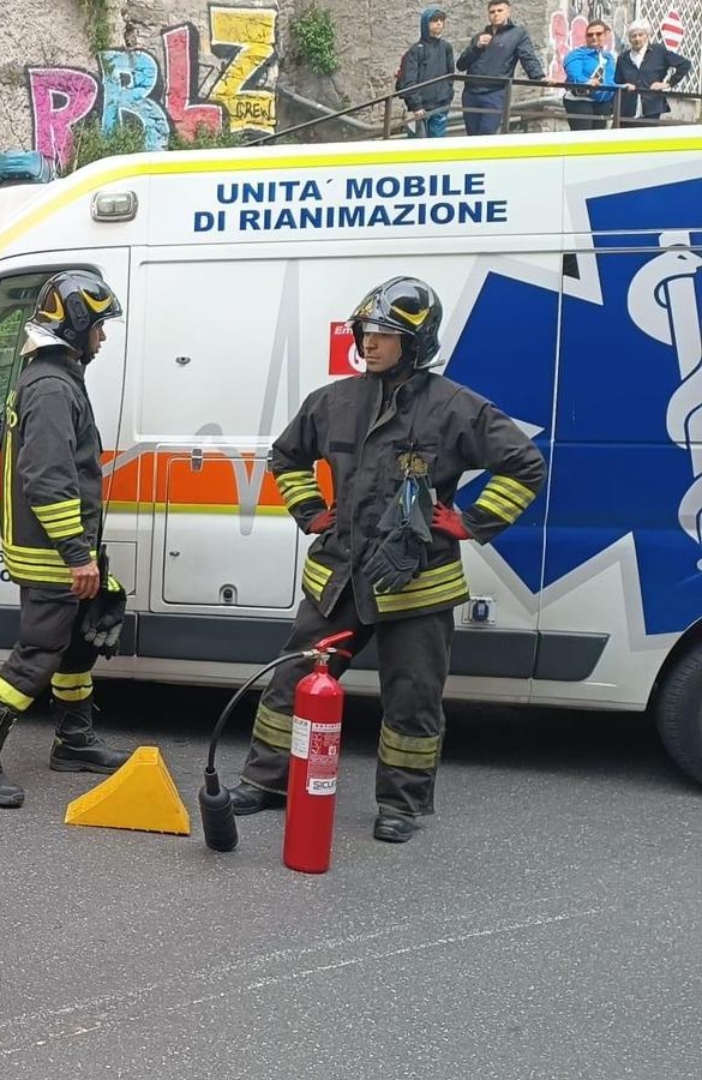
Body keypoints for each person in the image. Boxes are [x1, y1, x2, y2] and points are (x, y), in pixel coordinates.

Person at [225, 277, 546, 843]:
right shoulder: (332, 401)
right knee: (291, 683)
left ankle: (400, 804)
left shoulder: (456, 407)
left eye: (384, 334)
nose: (369, 344)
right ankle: (265, 781)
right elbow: (286, 456)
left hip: (415, 586)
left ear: (416, 343)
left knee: (413, 698)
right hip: (340, 579)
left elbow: (525, 465)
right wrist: (310, 511)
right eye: (365, 332)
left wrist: (471, 523)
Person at [0, 269, 134, 810]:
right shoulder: (52, 385)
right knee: (38, 652)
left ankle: (73, 739)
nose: (101, 338)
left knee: (75, 645)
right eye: (97, 328)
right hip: (52, 553)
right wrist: (78, 554)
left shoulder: (52, 375)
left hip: (61, 547)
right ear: (74, 326)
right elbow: (48, 477)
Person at [454, 0, 546, 135]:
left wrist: (539, 76)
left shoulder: (518, 34)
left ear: (508, 12)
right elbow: (461, 65)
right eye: (492, 12)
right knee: (472, 136)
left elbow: (527, 57)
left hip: (495, 92)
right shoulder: (479, 36)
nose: (495, 14)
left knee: (487, 134)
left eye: (499, 11)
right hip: (471, 93)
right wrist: (476, 47)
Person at [616, 18, 694, 126]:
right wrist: (625, 85)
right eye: (633, 36)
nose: (637, 39)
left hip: (651, 108)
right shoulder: (623, 58)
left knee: (648, 141)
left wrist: (667, 83)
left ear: (647, 35)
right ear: (629, 38)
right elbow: (617, 81)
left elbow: (684, 64)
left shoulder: (658, 51)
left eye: (640, 35)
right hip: (627, 110)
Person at [396, 7, 458, 137]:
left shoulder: (446, 47)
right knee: (417, 146)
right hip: (420, 108)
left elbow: (450, 74)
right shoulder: (415, 50)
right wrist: (416, 105)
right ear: (425, 23)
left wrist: (447, 96)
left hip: (440, 105)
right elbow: (409, 80)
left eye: (441, 20)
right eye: (434, 20)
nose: (439, 23)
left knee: (437, 144)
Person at [562, 21, 619, 130]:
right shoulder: (576, 54)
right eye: (590, 35)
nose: (594, 37)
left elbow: (610, 81)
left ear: (606, 35)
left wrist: (622, 86)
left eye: (598, 34)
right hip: (580, 100)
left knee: (598, 141)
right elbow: (574, 75)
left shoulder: (609, 58)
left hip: (602, 103)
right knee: (583, 138)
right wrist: (587, 82)